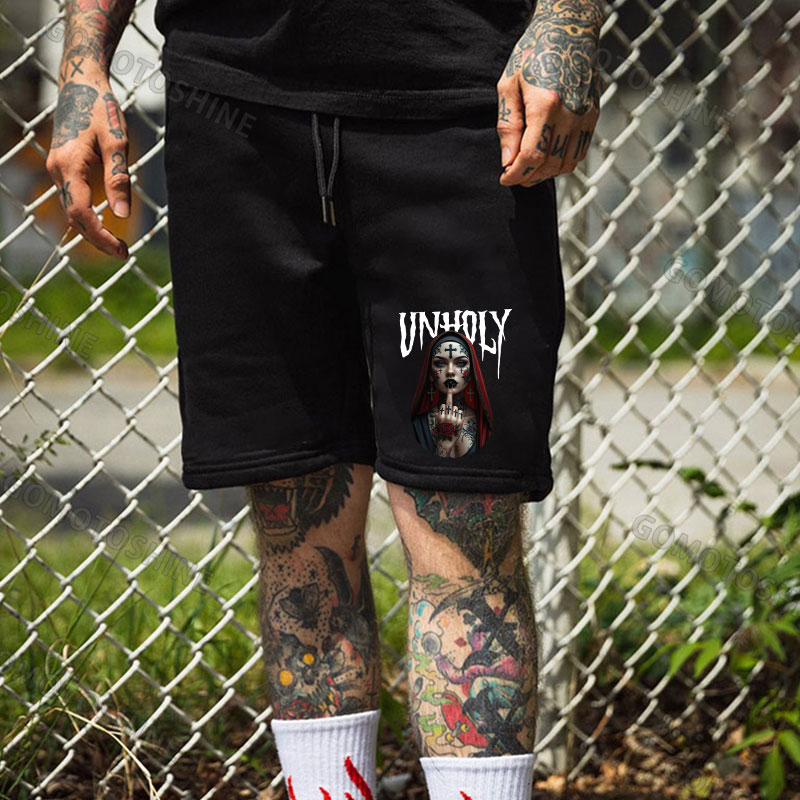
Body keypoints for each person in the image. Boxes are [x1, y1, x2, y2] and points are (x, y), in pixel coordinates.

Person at [46, 1, 604, 798]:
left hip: (459, 106)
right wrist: (83, 61)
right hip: (234, 110)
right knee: (299, 537)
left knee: (465, 534)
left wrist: (568, 20)